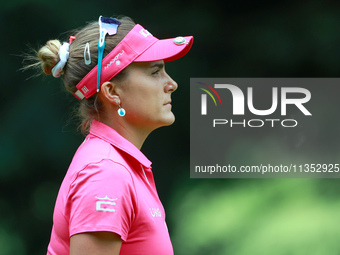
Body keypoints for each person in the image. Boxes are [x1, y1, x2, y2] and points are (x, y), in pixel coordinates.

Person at [29, 15, 193, 255]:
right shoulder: (106, 173)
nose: (172, 84)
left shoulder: (118, 165)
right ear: (112, 92)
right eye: (155, 72)